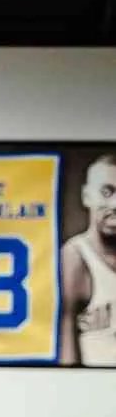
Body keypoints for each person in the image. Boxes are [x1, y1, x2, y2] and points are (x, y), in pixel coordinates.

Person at [60, 154, 116, 366]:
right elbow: (65, 353)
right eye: (106, 192)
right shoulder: (75, 257)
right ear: (87, 196)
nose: (115, 204)